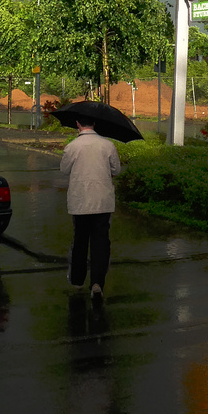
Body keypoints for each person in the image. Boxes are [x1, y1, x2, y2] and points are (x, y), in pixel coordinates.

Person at [57, 118, 122, 296]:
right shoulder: (107, 145)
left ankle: (78, 280)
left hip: (80, 202)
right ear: (94, 123)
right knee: (100, 242)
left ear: (77, 123)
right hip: (103, 201)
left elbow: (64, 169)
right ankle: (97, 283)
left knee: (80, 240)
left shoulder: (72, 146)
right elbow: (116, 170)